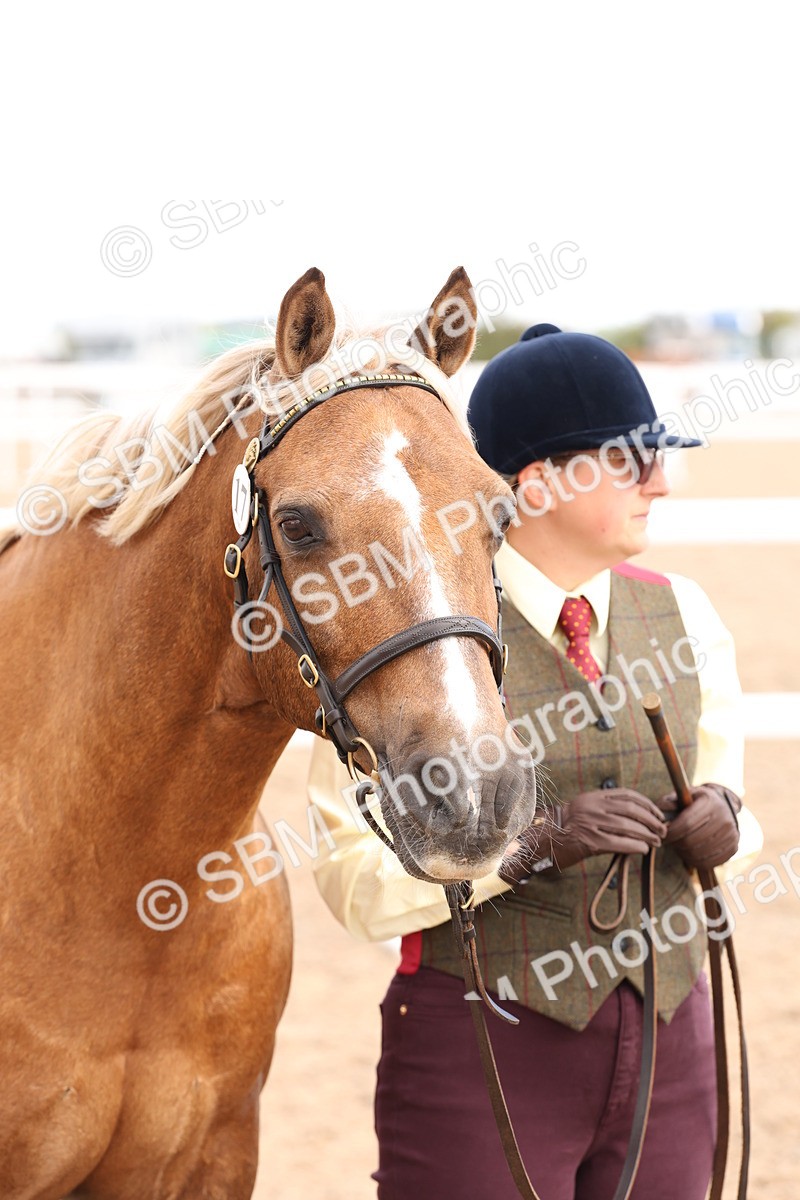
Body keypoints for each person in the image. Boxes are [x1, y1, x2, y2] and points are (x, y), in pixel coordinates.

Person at [307, 323, 746, 1200]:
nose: (659, 482)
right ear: (539, 482)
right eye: (629, 459)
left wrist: (727, 821)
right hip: (484, 1045)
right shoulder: (409, 640)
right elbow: (355, 884)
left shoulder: (687, 615)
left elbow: (737, 793)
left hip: (673, 1033)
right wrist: (528, 848)